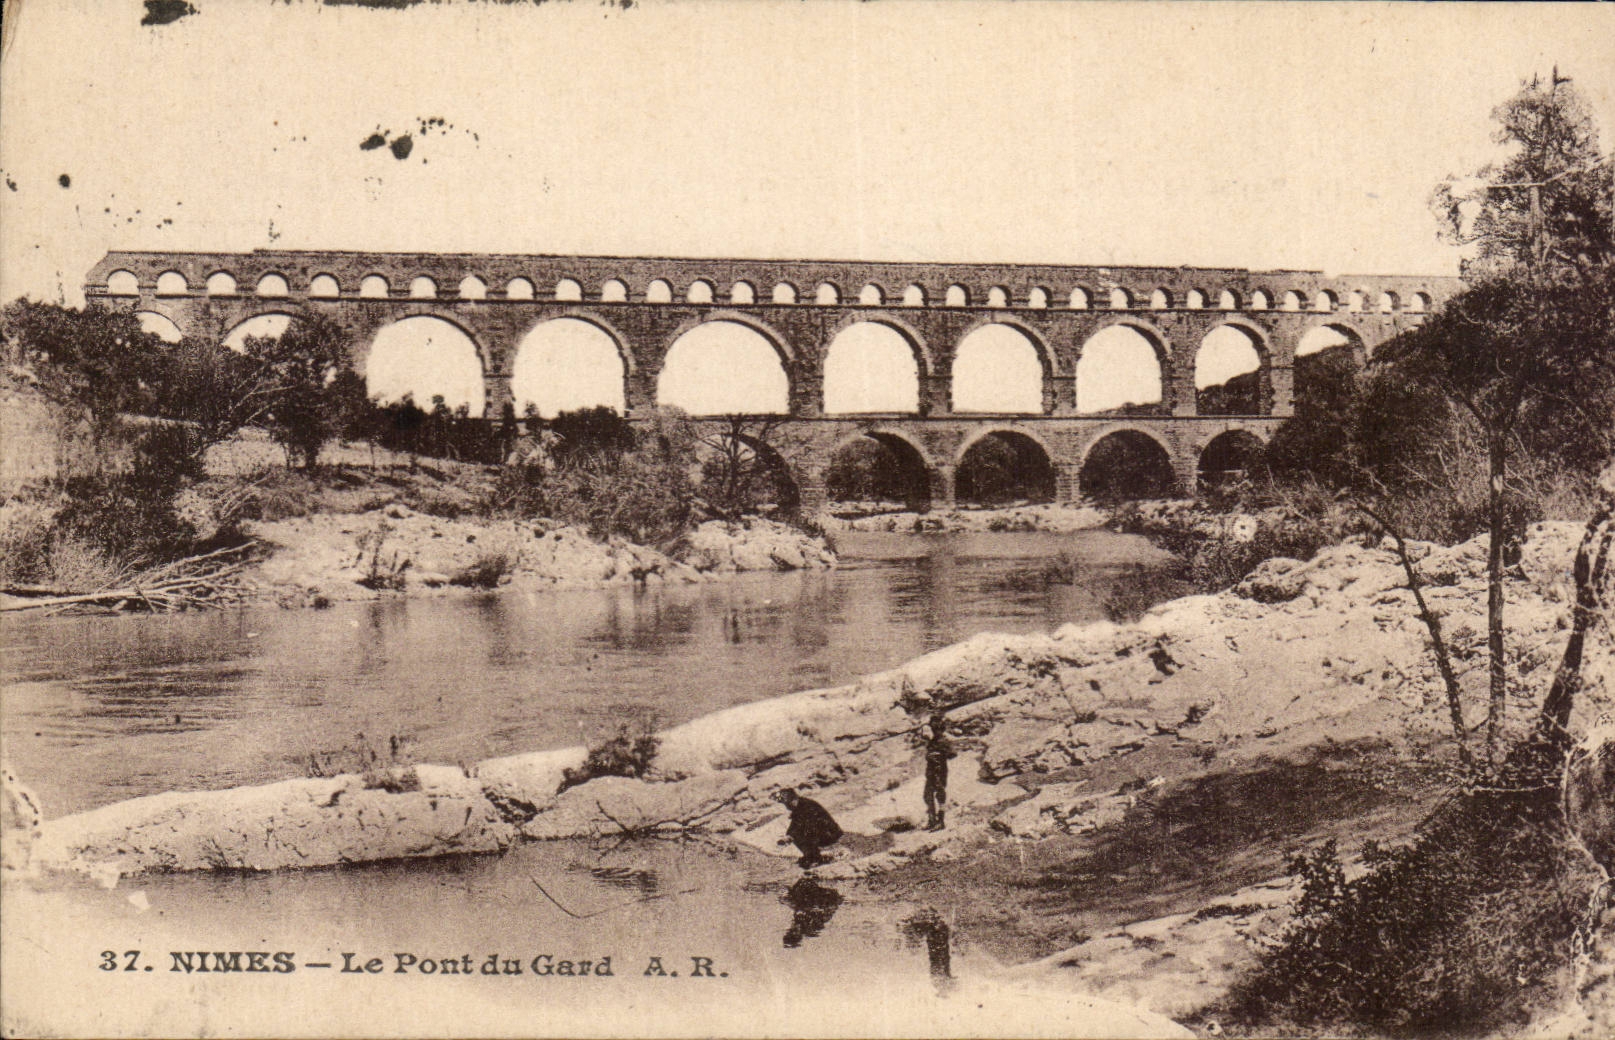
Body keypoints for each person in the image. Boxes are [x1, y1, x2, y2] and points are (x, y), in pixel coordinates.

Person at [774, 787, 842, 868]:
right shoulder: (799, 806)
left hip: (830, 834)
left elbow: (810, 826)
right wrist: (788, 836)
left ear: (793, 800)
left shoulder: (807, 806)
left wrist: (792, 836)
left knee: (802, 834)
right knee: (796, 835)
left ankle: (815, 858)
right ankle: (811, 856)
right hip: (822, 832)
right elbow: (795, 824)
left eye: (787, 804)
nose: (786, 807)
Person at [922, 712, 954, 831]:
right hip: (931, 772)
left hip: (939, 771)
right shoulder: (933, 741)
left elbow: (952, 754)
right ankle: (932, 820)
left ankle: (940, 822)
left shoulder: (942, 741)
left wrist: (939, 755)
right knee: (927, 796)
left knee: (940, 796)